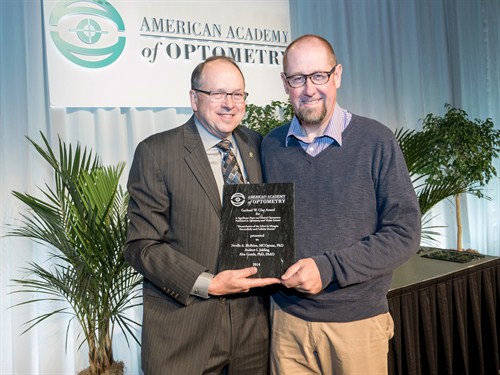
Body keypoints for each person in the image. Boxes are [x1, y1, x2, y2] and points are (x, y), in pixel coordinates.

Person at [261, 34, 421, 374]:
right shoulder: (270, 146)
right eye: (297, 78)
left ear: (337, 76)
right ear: (284, 83)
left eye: (319, 76)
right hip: (286, 325)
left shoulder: (376, 141)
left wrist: (328, 268)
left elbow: (404, 234)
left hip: (357, 325)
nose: (309, 89)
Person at [124, 55, 280, 375]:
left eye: (238, 94)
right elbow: (141, 245)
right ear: (194, 99)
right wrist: (208, 284)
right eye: (218, 94)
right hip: (185, 336)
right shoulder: (157, 152)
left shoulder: (257, 145)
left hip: (252, 333)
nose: (230, 104)